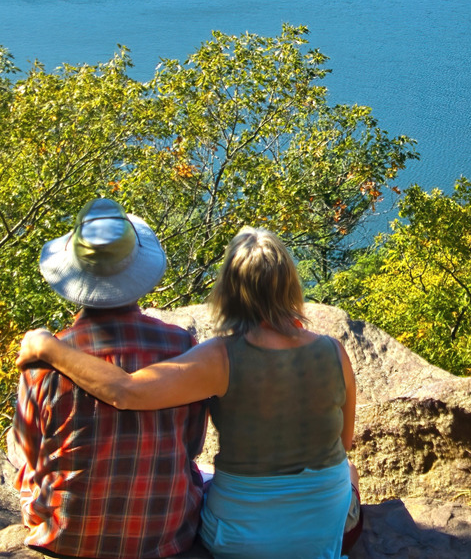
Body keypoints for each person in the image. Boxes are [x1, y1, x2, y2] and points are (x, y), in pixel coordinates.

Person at [19, 226, 361, 559]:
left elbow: (125, 391)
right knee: (348, 470)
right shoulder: (335, 351)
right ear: (290, 284)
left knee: (209, 481)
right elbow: (343, 444)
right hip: (323, 534)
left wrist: (48, 347)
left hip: (238, 539)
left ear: (229, 289)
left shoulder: (220, 357)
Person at [9, 198, 208, 559]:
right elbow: (192, 444)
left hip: (66, 536)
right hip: (165, 534)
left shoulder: (42, 361)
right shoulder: (182, 346)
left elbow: (26, 452)